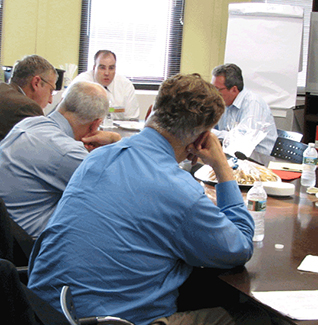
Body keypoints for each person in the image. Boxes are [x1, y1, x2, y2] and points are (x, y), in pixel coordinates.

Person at [28, 74, 264, 325]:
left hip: (42, 311)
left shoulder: (98, 157)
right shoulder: (180, 191)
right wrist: (221, 165)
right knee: (249, 317)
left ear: (152, 110)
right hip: (107, 320)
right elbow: (240, 247)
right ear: (200, 139)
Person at [0, 81, 121, 237]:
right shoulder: (68, 152)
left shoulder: (29, 123)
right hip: (25, 247)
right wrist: (116, 140)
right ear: (95, 125)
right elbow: (119, 191)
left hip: (6, 237)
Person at [211, 63, 277, 161]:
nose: (214, 93)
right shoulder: (224, 102)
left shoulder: (253, 103)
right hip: (232, 156)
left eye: (218, 89)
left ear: (234, 89)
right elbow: (212, 126)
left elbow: (241, 140)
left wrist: (209, 132)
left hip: (256, 160)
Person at [69, 50, 140, 120]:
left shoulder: (125, 85)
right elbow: (68, 113)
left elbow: (132, 119)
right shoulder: (81, 83)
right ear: (94, 68)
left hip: (117, 130)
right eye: (102, 68)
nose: (107, 73)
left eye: (111, 68)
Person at [0, 54, 58, 141]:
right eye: (50, 91)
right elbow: (49, 144)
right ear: (36, 82)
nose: (50, 100)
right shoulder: (27, 107)